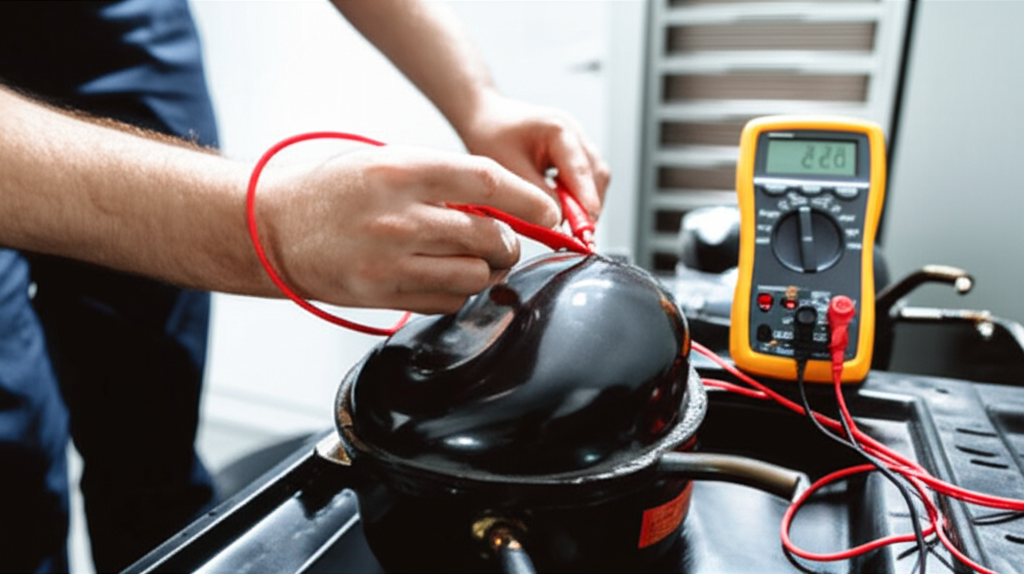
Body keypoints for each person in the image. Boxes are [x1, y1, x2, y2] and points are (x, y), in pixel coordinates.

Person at [0, 1, 609, 572]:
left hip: (113, 25)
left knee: (150, 426)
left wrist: (478, 99)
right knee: (14, 468)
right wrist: (267, 228)